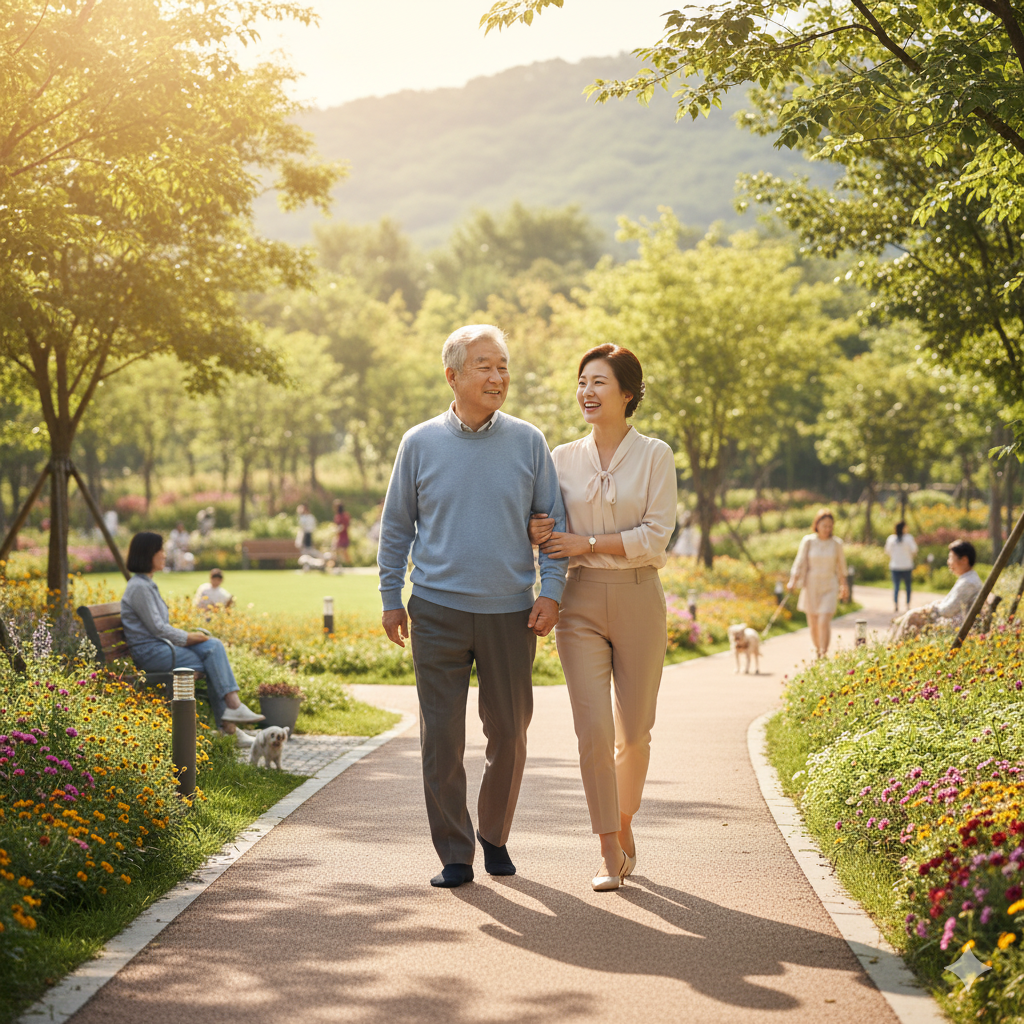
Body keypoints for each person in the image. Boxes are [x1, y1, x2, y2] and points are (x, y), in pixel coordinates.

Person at [378, 324, 567, 889]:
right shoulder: (418, 443)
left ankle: (494, 833)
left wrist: (551, 590)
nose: (497, 377)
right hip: (436, 609)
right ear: (452, 376)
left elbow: (553, 524)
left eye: (503, 366)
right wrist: (390, 597)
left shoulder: (529, 441)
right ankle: (455, 852)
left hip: (510, 612)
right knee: (441, 737)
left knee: (510, 731)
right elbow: (396, 528)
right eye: (484, 366)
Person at [528, 344, 676, 892]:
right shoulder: (561, 458)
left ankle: (624, 818)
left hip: (640, 597)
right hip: (580, 601)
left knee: (634, 733)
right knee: (593, 731)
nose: (586, 392)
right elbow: (545, 525)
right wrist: (537, 531)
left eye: (599, 383)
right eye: (582, 382)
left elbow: (655, 537)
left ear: (628, 393)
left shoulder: (656, 455)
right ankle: (608, 848)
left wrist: (587, 541)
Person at [121, 532, 263, 746]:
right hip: (151, 653)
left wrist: (192, 638)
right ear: (147, 554)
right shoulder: (139, 587)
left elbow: (158, 627)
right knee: (211, 656)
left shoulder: (146, 584)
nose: (164, 554)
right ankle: (231, 721)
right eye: (160, 550)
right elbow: (158, 628)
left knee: (213, 646)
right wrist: (189, 637)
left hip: (160, 648)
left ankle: (232, 720)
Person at [889, 540, 983, 641]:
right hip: (956, 623)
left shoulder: (968, 583)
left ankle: (896, 646)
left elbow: (947, 611)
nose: (948, 562)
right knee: (911, 615)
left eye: (951, 558)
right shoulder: (967, 579)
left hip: (957, 627)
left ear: (964, 560)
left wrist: (932, 608)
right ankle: (896, 644)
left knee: (912, 617)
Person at [787, 508, 849, 659]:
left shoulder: (836, 544)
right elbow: (799, 562)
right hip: (811, 585)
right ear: (817, 525)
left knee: (823, 621)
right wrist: (793, 580)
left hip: (830, 585)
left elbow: (842, 567)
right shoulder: (808, 541)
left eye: (830, 526)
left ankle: (823, 652)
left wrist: (844, 586)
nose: (827, 529)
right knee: (813, 624)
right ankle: (817, 649)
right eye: (824, 525)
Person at [884, 520, 919, 613]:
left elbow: (887, 551)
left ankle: (896, 605)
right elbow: (914, 550)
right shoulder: (909, 538)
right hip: (907, 565)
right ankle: (907, 605)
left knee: (896, 587)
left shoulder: (891, 539)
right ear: (903, 528)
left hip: (895, 566)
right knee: (908, 587)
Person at [333, 500, 351, 566]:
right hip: (339, 535)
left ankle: (349, 564)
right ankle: (337, 563)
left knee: (344, 551)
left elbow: (345, 525)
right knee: (336, 550)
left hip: (343, 535)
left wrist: (339, 529)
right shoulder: (338, 516)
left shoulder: (343, 516)